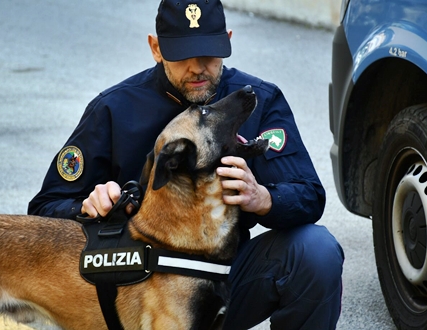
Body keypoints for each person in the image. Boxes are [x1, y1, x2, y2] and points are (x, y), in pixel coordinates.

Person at [28, 0, 344, 328]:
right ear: (156, 48)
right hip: (134, 291)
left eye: (208, 53)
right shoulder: (113, 110)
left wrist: (263, 199)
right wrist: (85, 206)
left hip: (223, 279)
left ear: (228, 41)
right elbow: (43, 209)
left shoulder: (255, 102)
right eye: (182, 54)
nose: (196, 67)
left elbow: (309, 195)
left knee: (315, 252)